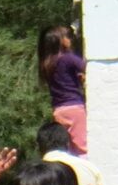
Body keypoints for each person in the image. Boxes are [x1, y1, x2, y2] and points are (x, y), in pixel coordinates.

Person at [38, 22, 88, 154]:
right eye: (67, 36)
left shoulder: (47, 63)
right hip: (74, 109)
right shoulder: (68, 59)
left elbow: (63, 80)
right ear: (61, 42)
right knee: (82, 149)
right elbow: (89, 68)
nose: (70, 39)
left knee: (68, 150)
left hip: (59, 111)